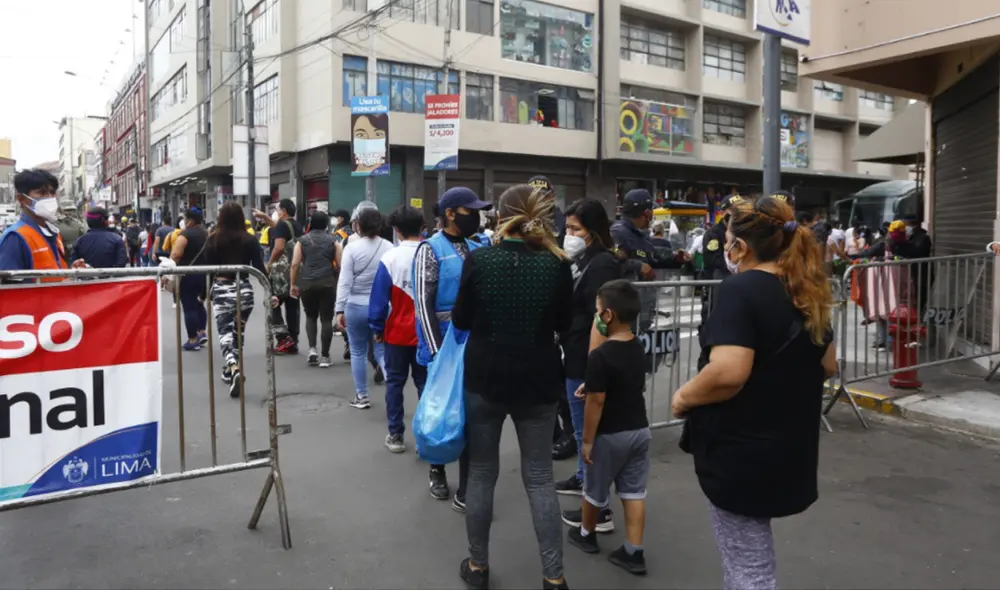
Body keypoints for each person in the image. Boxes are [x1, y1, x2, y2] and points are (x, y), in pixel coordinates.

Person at [672, 196, 838, 590]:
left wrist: (683, 397)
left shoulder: (741, 290)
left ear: (741, 247)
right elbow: (828, 364)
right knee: (749, 560)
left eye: (729, 239)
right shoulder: (804, 288)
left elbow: (728, 372)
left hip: (741, 449)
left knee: (749, 568)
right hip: (789, 443)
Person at [451, 183, 572, 590]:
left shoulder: (480, 260)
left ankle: (478, 567)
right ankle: (554, 577)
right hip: (538, 381)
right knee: (539, 477)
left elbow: (462, 320)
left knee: (482, 473)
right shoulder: (556, 264)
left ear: (500, 217)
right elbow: (563, 324)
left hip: (484, 378)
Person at [413, 186, 492, 506]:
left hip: (474, 345)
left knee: (470, 414)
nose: (475, 217)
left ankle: (466, 488)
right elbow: (422, 303)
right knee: (439, 412)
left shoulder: (478, 246)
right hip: (442, 344)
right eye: (469, 211)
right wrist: (436, 352)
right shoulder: (429, 249)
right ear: (450, 213)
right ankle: (437, 469)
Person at [566, 280, 651, 576]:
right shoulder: (637, 346)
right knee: (634, 491)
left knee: (594, 490)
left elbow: (597, 402)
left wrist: (587, 441)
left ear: (608, 316)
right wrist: (593, 384)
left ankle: (586, 534)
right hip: (639, 430)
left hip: (610, 435)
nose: (595, 316)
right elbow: (624, 380)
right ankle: (634, 551)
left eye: (597, 311)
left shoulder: (599, 356)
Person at [555, 199, 622, 514]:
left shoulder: (602, 264)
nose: (568, 234)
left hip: (588, 357)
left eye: (575, 229)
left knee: (588, 433)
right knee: (582, 429)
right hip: (576, 350)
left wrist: (595, 365)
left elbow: (602, 318)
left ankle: (598, 508)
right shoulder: (580, 259)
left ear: (593, 231)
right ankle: (584, 480)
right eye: (567, 227)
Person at [369, 205, 425, 454]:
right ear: (422, 227)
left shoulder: (390, 258)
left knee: (395, 384)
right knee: (425, 386)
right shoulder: (431, 252)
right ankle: (427, 435)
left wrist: (377, 327)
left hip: (397, 334)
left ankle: (396, 434)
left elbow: (379, 300)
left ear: (397, 230)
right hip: (427, 335)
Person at [203, 202, 266, 398]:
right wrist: (269, 290)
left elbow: (207, 269)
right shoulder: (249, 239)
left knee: (224, 334)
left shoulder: (213, 240)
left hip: (223, 289)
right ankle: (230, 370)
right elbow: (259, 268)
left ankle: (233, 367)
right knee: (238, 333)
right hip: (244, 290)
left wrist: (203, 293)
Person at [335, 207, 393, 410]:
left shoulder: (351, 248)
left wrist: (339, 309)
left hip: (355, 306)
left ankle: (362, 395)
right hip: (381, 307)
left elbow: (344, 281)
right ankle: (393, 393)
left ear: (358, 225)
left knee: (358, 351)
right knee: (382, 351)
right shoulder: (389, 247)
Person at [612, 188, 687, 332]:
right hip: (624, 307)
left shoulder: (641, 235)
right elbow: (611, 261)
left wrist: (675, 259)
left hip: (642, 307)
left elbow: (653, 257)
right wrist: (638, 266)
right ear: (647, 213)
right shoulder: (618, 232)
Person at [0, 169, 83, 279]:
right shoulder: (15, 238)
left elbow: (53, 273)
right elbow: (11, 290)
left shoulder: (54, 233)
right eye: (42, 192)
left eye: (52, 192)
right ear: (22, 199)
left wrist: (70, 273)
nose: (49, 197)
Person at [291, 210, 342, 368]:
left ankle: (312, 349)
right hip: (327, 282)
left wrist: (293, 284)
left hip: (307, 283)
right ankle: (325, 357)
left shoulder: (302, 240)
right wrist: (337, 282)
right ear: (326, 224)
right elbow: (340, 265)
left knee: (310, 316)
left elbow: (295, 264)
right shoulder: (334, 241)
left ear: (311, 223)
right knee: (326, 319)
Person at [255, 199, 304, 354]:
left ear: (283, 211)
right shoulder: (296, 226)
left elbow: (279, 247)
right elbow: (280, 229)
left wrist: (269, 264)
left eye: (277, 209)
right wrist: (265, 218)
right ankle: (293, 340)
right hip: (295, 271)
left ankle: (283, 338)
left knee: (272, 302)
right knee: (292, 304)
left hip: (281, 273)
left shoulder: (282, 225)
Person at [170, 207, 209, 351]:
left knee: (189, 307)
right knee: (200, 304)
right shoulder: (207, 234)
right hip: (205, 274)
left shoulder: (185, 235)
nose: (184, 222)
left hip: (188, 274)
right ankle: (202, 332)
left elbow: (175, 255)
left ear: (191, 221)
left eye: (185, 219)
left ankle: (193, 339)